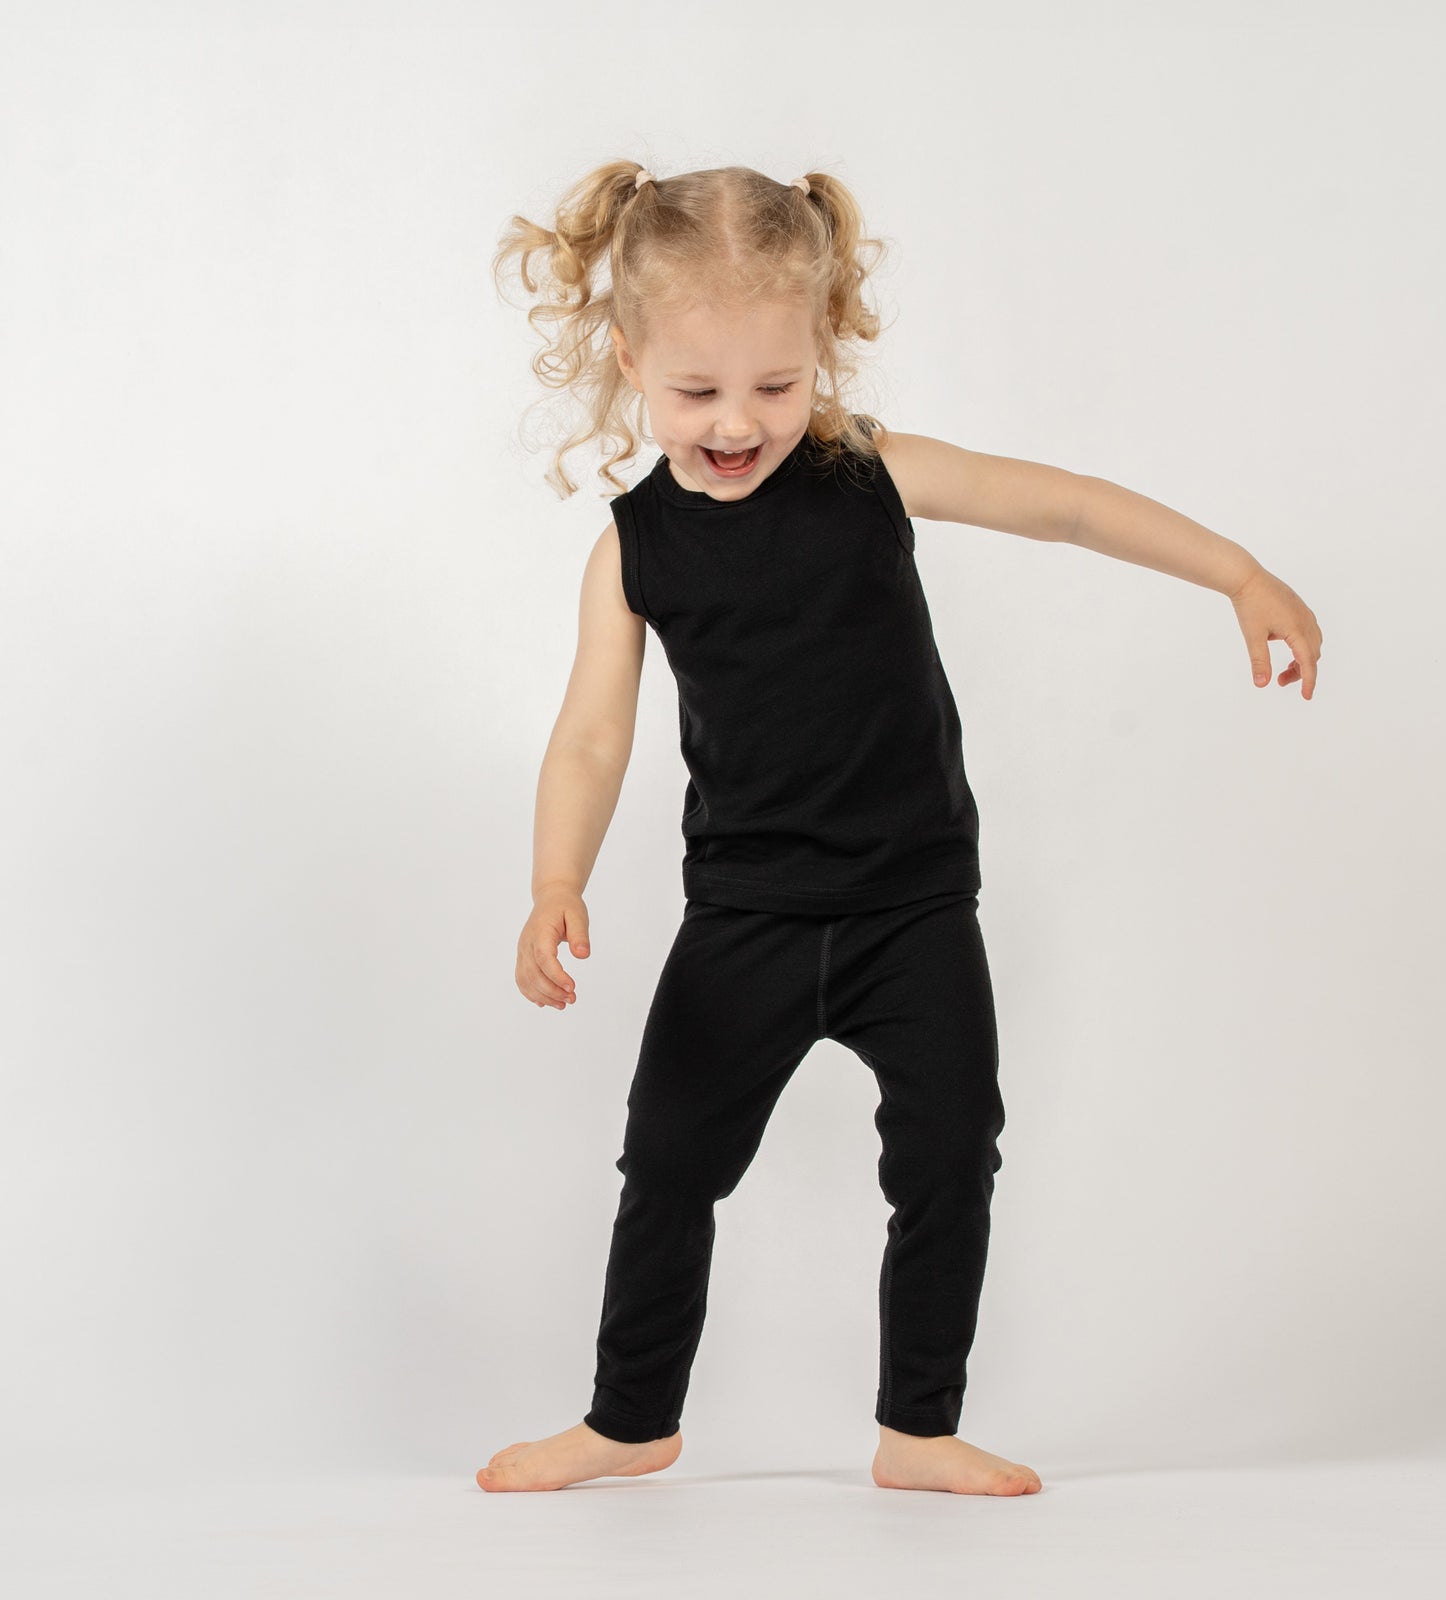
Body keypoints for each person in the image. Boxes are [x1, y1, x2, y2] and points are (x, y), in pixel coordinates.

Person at [478, 161, 1322, 1498]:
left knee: (946, 1158)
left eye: (776, 384)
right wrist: (552, 879)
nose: (738, 422)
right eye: (696, 393)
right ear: (630, 361)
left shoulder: (867, 475)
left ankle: (916, 1429)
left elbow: (1064, 505)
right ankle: (631, 1417)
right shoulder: (633, 550)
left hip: (914, 910)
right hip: (742, 918)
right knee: (669, 1165)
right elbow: (590, 734)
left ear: (821, 348)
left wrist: (1238, 573)